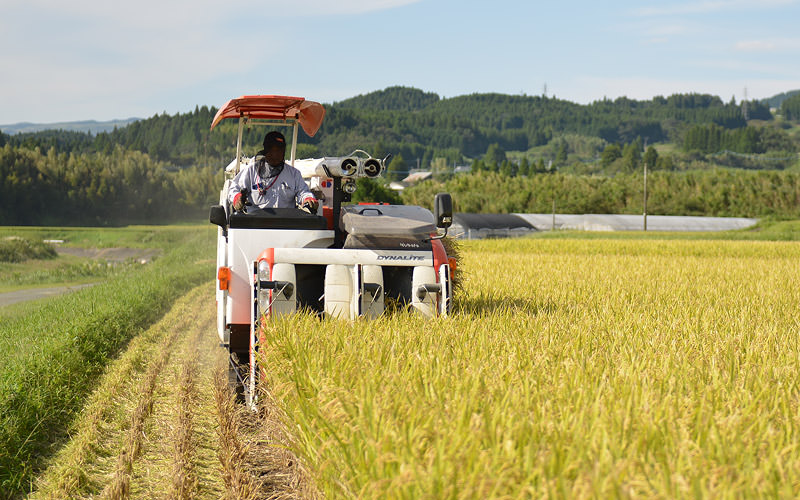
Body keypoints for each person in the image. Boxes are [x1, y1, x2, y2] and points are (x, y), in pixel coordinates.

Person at [229, 131, 319, 213]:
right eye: (272, 150)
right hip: (255, 224)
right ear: (265, 150)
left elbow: (303, 192)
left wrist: (308, 199)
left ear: (283, 151)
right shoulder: (251, 171)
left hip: (286, 225)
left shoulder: (294, 174)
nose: (275, 154)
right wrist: (237, 198)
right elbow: (234, 189)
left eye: (279, 150)